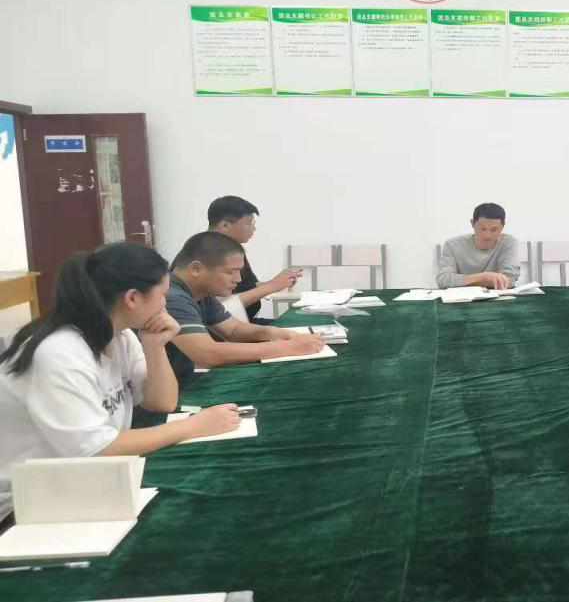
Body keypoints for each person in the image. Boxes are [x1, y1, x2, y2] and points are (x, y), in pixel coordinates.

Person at [0, 242, 242, 524]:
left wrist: (155, 346)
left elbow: (162, 402)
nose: (165, 305)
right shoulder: (59, 352)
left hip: (73, 483)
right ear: (132, 298)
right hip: (19, 506)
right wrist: (194, 426)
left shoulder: (121, 336)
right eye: (162, 295)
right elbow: (95, 449)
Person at [165, 231, 325, 383]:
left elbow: (233, 329)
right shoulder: (172, 297)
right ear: (196, 269)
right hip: (174, 390)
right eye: (231, 272)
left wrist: (275, 333)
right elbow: (208, 354)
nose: (238, 279)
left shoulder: (200, 293)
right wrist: (288, 347)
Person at [207, 196, 301, 324]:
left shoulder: (232, 248)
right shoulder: (207, 253)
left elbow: (248, 287)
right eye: (248, 223)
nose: (253, 228)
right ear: (225, 225)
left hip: (245, 321)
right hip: (226, 327)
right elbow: (219, 306)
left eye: (253, 223)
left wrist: (279, 281)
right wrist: (271, 286)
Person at [436, 203, 521, 290]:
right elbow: (443, 280)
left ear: (502, 226)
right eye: (483, 229)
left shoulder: (508, 243)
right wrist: (485, 276)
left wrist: (463, 281)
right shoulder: (452, 245)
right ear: (472, 223)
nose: (487, 235)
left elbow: (509, 281)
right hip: (462, 297)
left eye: (494, 230)